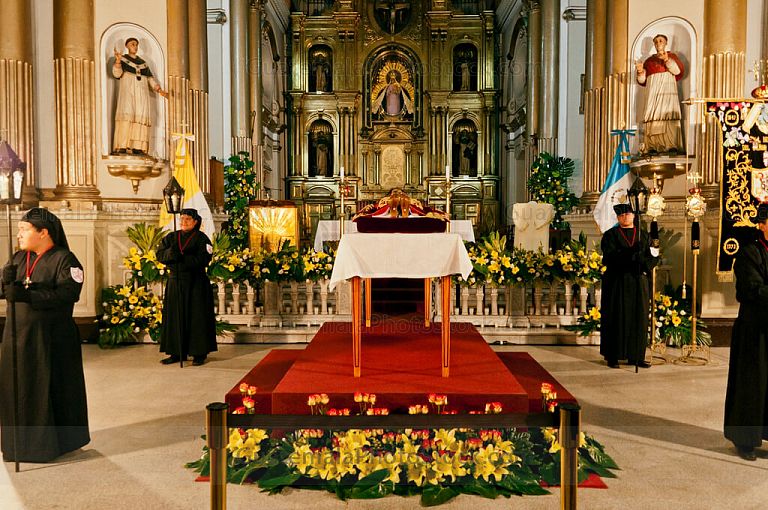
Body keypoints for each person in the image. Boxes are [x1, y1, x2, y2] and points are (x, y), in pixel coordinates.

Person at [0, 208, 89, 462]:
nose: (19, 234)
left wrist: (29, 295)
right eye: (18, 229)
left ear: (43, 232)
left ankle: (49, 445)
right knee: (15, 391)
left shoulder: (65, 260)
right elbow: (6, 290)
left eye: (24, 229)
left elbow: (68, 294)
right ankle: (18, 446)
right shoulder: (18, 258)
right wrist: (4, 283)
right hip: (16, 336)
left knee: (47, 390)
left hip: (50, 338)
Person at [724, 203, 768, 461]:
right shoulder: (748, 253)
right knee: (752, 386)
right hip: (755, 330)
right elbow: (751, 290)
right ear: (762, 225)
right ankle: (745, 441)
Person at [599, 203, 660, 369]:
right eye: (621, 215)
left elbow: (654, 255)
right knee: (616, 317)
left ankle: (636, 356)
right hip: (617, 281)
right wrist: (632, 256)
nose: (624, 217)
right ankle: (613, 355)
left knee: (638, 318)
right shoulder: (610, 235)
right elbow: (609, 257)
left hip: (638, 281)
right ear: (618, 218)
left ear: (633, 215)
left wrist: (644, 263)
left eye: (627, 214)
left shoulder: (643, 236)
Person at [156, 208, 217, 366]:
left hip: (196, 282)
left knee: (196, 317)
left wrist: (182, 259)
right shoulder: (171, 237)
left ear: (195, 222)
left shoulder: (202, 238)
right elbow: (160, 254)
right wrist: (171, 253)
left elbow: (204, 258)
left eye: (187, 219)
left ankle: (199, 353)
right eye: (182, 219)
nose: (183, 222)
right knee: (175, 317)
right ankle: (176, 352)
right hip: (176, 282)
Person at [111, 37, 168, 155]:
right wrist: (117, 61)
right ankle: (122, 145)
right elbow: (117, 73)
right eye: (132, 44)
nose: (135, 47)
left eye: (136, 44)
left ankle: (138, 146)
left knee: (140, 115)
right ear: (127, 46)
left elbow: (150, 79)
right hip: (128, 90)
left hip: (142, 92)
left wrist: (159, 90)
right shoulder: (123, 59)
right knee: (127, 114)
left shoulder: (143, 63)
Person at [635, 34, 684, 154]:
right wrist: (641, 71)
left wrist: (666, 59)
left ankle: (671, 144)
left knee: (667, 114)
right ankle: (652, 145)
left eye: (661, 40)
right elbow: (642, 81)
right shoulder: (648, 61)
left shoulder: (672, 56)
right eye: (656, 41)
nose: (658, 43)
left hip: (667, 91)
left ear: (666, 43)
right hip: (653, 92)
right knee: (652, 114)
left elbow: (677, 71)